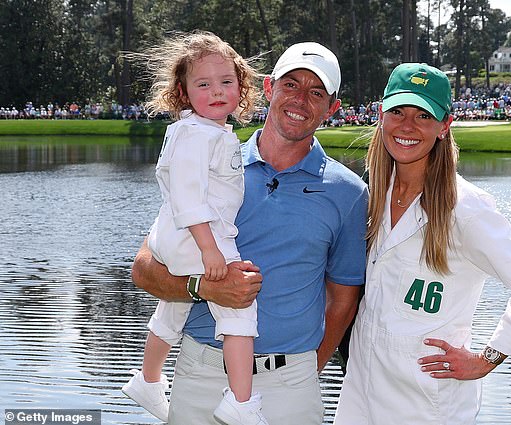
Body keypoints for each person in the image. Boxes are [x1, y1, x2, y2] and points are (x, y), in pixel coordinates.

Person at [130, 41, 368, 425]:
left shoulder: (348, 193)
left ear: (333, 107)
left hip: (292, 382)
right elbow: (144, 269)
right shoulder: (214, 163)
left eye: (316, 92)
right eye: (291, 85)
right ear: (270, 88)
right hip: (201, 372)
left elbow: (342, 301)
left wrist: (307, 369)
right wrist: (204, 288)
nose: (301, 100)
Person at [333, 63, 511, 425]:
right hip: (362, 387)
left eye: (423, 115)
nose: (407, 126)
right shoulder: (373, 195)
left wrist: (488, 358)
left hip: (427, 400)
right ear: (381, 116)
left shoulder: (465, 208)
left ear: (444, 126)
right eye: (398, 111)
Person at [121, 31, 267, 425]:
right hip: (197, 235)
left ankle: (148, 380)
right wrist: (210, 249)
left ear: (241, 86)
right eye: (203, 84)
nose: (216, 91)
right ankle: (240, 402)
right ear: (183, 93)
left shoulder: (204, 130)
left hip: (174, 234)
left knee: (173, 305)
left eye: (226, 82)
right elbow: (188, 197)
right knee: (239, 307)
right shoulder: (197, 134)